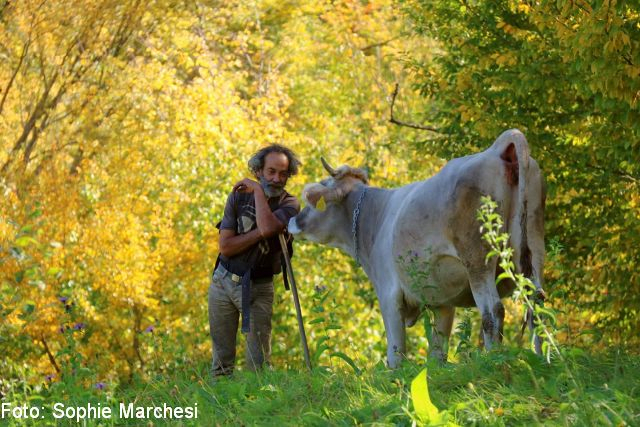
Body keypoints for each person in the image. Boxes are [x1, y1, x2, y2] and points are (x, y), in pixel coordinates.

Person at [209, 144, 301, 377]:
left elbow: (270, 227)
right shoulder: (239, 195)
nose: (277, 178)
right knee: (221, 364)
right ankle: (222, 411)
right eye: (271, 171)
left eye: (283, 174)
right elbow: (226, 247)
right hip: (223, 281)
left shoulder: (290, 204)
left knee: (257, 367)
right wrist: (261, 233)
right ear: (258, 171)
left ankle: (258, 411)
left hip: (258, 288)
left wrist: (258, 192)